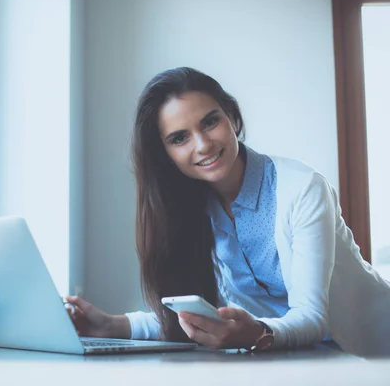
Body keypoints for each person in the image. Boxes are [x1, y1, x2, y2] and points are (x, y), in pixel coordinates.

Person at [65, 67, 390, 357]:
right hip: (297, 360)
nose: (203, 145)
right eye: (180, 138)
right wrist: (111, 326)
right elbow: (196, 316)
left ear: (232, 118)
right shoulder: (189, 209)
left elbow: (313, 317)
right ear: (165, 155)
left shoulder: (302, 188)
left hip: (372, 354)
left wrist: (257, 333)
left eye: (210, 122)